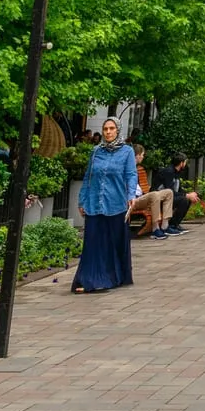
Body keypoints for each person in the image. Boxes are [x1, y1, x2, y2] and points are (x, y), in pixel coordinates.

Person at [72, 118, 138, 292]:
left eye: (112, 128)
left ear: (118, 130)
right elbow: (88, 176)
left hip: (116, 204)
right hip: (94, 203)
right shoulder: (96, 151)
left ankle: (111, 277)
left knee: (112, 244)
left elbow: (131, 174)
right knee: (92, 243)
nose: (108, 132)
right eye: (105, 129)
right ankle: (89, 279)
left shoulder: (127, 151)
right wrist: (82, 200)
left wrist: (131, 195)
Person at [125, 143, 168, 238]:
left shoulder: (137, 168)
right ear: (137, 155)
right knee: (154, 195)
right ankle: (155, 229)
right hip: (133, 199)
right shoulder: (126, 168)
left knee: (168, 192)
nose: (143, 157)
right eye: (142, 155)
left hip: (142, 196)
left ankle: (165, 226)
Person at [149, 153, 196, 237]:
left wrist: (190, 195)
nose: (186, 164)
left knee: (187, 199)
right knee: (184, 200)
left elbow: (178, 190)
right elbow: (169, 192)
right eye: (185, 162)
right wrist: (186, 195)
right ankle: (170, 226)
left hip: (167, 198)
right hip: (158, 199)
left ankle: (174, 225)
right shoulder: (168, 172)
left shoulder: (176, 172)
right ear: (181, 163)